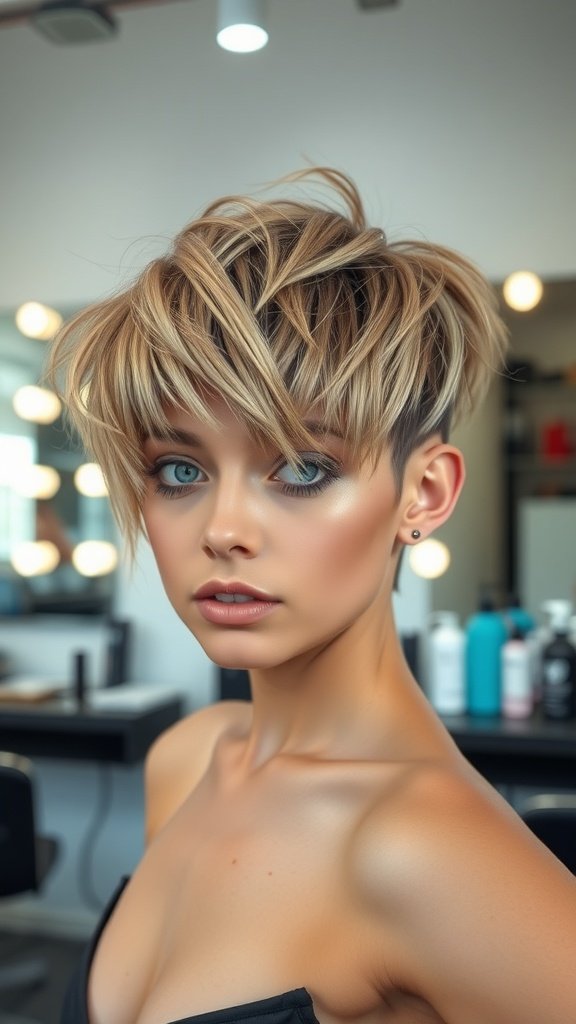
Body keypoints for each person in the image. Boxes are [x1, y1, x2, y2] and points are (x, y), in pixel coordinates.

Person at [50, 168, 576, 1024]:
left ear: (426, 494)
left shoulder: (429, 852)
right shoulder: (186, 760)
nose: (223, 528)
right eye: (178, 470)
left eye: (301, 468)